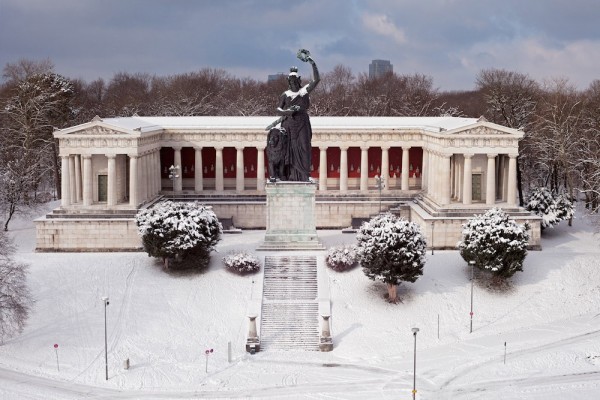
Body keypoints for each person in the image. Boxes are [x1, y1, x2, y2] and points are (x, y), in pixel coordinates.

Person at [270, 49, 320, 182]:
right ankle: (289, 175)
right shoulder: (285, 95)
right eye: (291, 82)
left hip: (302, 123)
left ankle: (304, 174)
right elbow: (278, 110)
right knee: (289, 150)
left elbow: (316, 79)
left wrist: (312, 62)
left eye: (295, 82)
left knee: (304, 147)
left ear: (298, 81)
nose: (293, 84)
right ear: (288, 82)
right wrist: (287, 112)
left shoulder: (304, 92)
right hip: (288, 125)